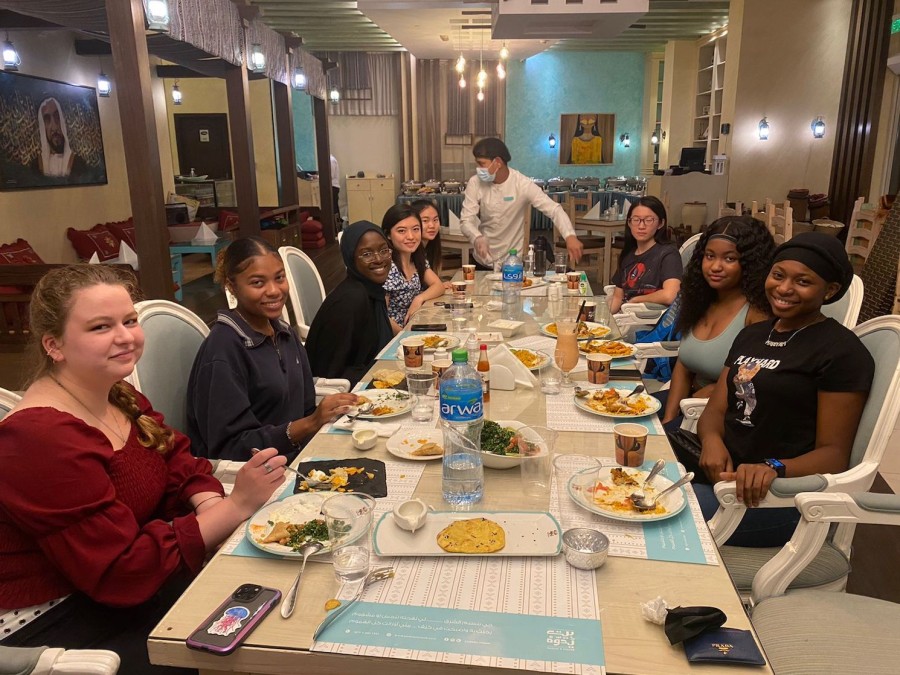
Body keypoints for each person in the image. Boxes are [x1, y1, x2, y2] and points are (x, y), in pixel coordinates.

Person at [0, 264, 285, 674]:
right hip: (58, 622)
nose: (125, 337)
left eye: (129, 320)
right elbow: (120, 571)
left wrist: (208, 504)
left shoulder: (116, 394)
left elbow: (174, 458)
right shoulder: (38, 439)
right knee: (257, 648)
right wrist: (234, 507)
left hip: (131, 581)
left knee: (274, 595)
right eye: (100, 327)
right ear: (54, 345)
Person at [695, 232, 874, 546]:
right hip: (719, 479)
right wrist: (711, 440)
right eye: (778, 275)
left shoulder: (841, 352)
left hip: (778, 500)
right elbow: (717, 409)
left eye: (803, 282)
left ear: (830, 291)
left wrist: (772, 467)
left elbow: (834, 455)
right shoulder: (752, 335)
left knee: (659, 508)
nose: (784, 289)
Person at [186, 237, 358, 461]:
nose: (274, 290)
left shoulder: (284, 333)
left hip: (300, 456)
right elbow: (229, 448)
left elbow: (306, 406)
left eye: (279, 278)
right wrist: (310, 423)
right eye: (258, 283)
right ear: (231, 285)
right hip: (257, 474)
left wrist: (320, 419)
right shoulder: (224, 351)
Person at [661, 217, 775, 427]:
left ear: (749, 263)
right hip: (688, 400)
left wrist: (710, 394)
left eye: (729, 259)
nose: (715, 266)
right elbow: (683, 366)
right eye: (710, 256)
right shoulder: (701, 299)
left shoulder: (756, 313)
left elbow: (749, 381)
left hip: (721, 415)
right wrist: (668, 418)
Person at [459, 137, 583, 268]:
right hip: (482, 260)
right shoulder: (475, 182)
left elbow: (554, 209)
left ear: (498, 162)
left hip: (512, 262)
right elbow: (466, 220)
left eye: (481, 164)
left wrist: (570, 236)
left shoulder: (522, 184)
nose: (478, 169)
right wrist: (477, 237)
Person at [306, 221, 394, 386]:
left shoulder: (371, 291)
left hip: (366, 379)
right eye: (367, 254)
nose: (379, 259)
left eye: (384, 250)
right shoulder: (351, 300)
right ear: (350, 257)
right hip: (338, 394)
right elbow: (331, 373)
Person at [608, 196, 682, 314]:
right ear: (629, 223)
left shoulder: (668, 254)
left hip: (650, 322)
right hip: (624, 318)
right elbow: (617, 297)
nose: (641, 226)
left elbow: (670, 294)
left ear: (660, 223)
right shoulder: (627, 254)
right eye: (636, 220)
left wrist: (637, 300)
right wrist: (603, 319)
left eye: (649, 220)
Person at [381, 204, 445, 332]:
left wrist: (419, 298)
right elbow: (382, 316)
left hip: (416, 326)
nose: (410, 236)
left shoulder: (416, 259)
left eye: (415, 229)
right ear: (388, 235)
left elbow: (438, 285)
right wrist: (404, 336)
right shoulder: (388, 267)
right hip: (395, 336)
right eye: (401, 231)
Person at [410, 198, 443, 277]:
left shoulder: (431, 246)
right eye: (425, 221)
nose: (432, 225)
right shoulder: (410, 250)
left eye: (435, 220)